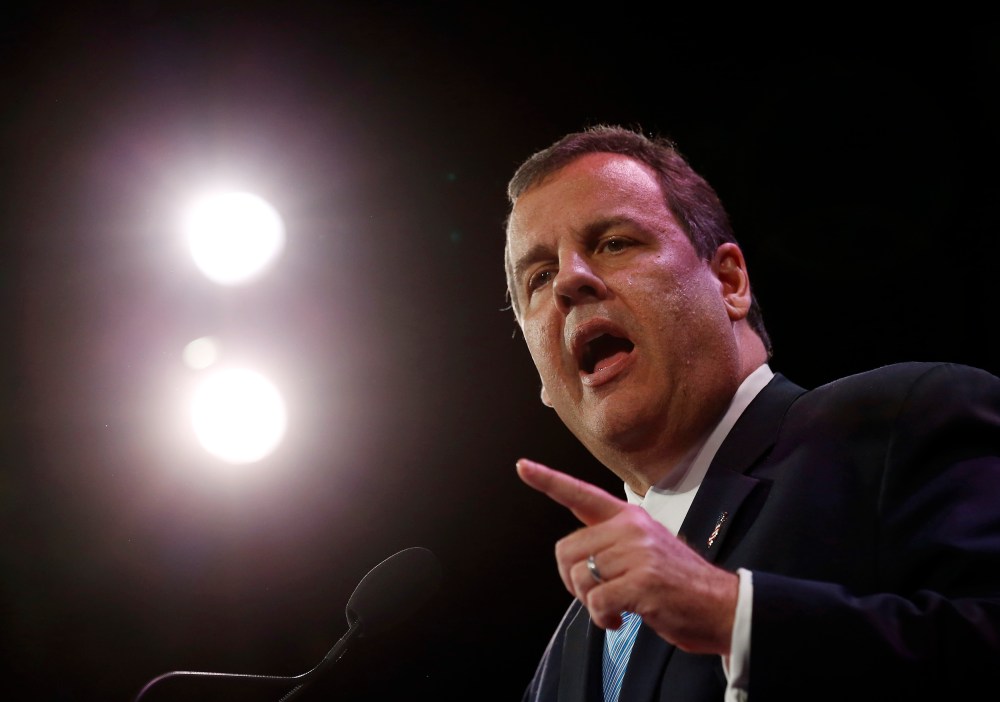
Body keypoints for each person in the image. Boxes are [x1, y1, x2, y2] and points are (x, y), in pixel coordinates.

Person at [504, 124, 1000, 702]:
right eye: (538, 277)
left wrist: (735, 617)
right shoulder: (564, 658)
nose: (569, 281)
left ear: (729, 280)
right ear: (542, 378)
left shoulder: (897, 422)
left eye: (614, 243)